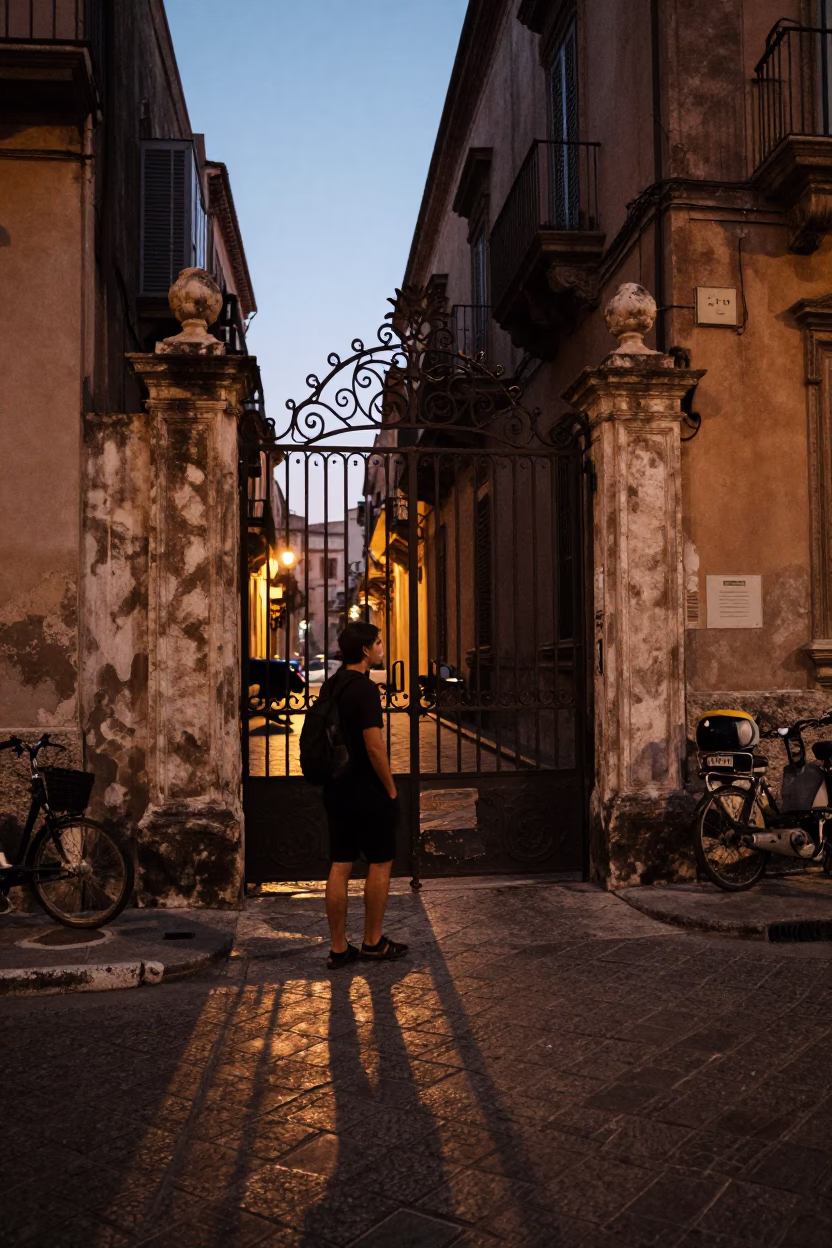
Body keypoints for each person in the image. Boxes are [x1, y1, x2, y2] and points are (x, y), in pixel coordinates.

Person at [322, 622, 408, 968]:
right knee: (380, 861)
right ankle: (373, 941)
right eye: (378, 642)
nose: (382, 646)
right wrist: (390, 788)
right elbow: (374, 747)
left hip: (337, 786)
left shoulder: (332, 686)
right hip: (366, 789)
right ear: (365, 651)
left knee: (340, 864)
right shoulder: (365, 689)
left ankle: (339, 948)